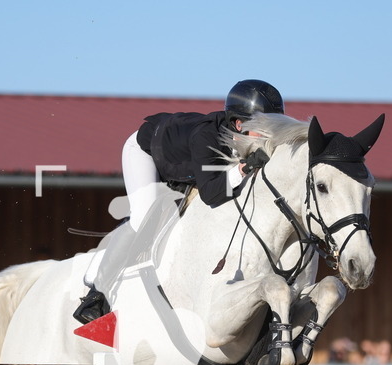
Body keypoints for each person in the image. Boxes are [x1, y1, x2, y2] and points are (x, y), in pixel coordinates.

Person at [74, 79, 285, 324]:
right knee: (143, 217)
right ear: (239, 124)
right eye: (265, 128)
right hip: (145, 153)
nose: (271, 135)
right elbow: (212, 194)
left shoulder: (241, 135)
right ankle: (96, 291)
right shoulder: (207, 138)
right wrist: (245, 167)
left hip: (183, 164)